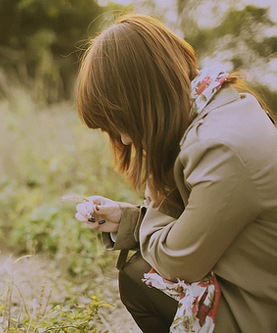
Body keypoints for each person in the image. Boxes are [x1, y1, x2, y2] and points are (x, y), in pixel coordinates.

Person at [74, 13, 277, 333]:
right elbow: (208, 221)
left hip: (262, 311)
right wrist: (129, 220)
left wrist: (154, 188)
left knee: (139, 277)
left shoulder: (220, 150)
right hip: (260, 285)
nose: (125, 139)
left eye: (120, 121)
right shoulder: (225, 110)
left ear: (143, 99)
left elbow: (178, 262)